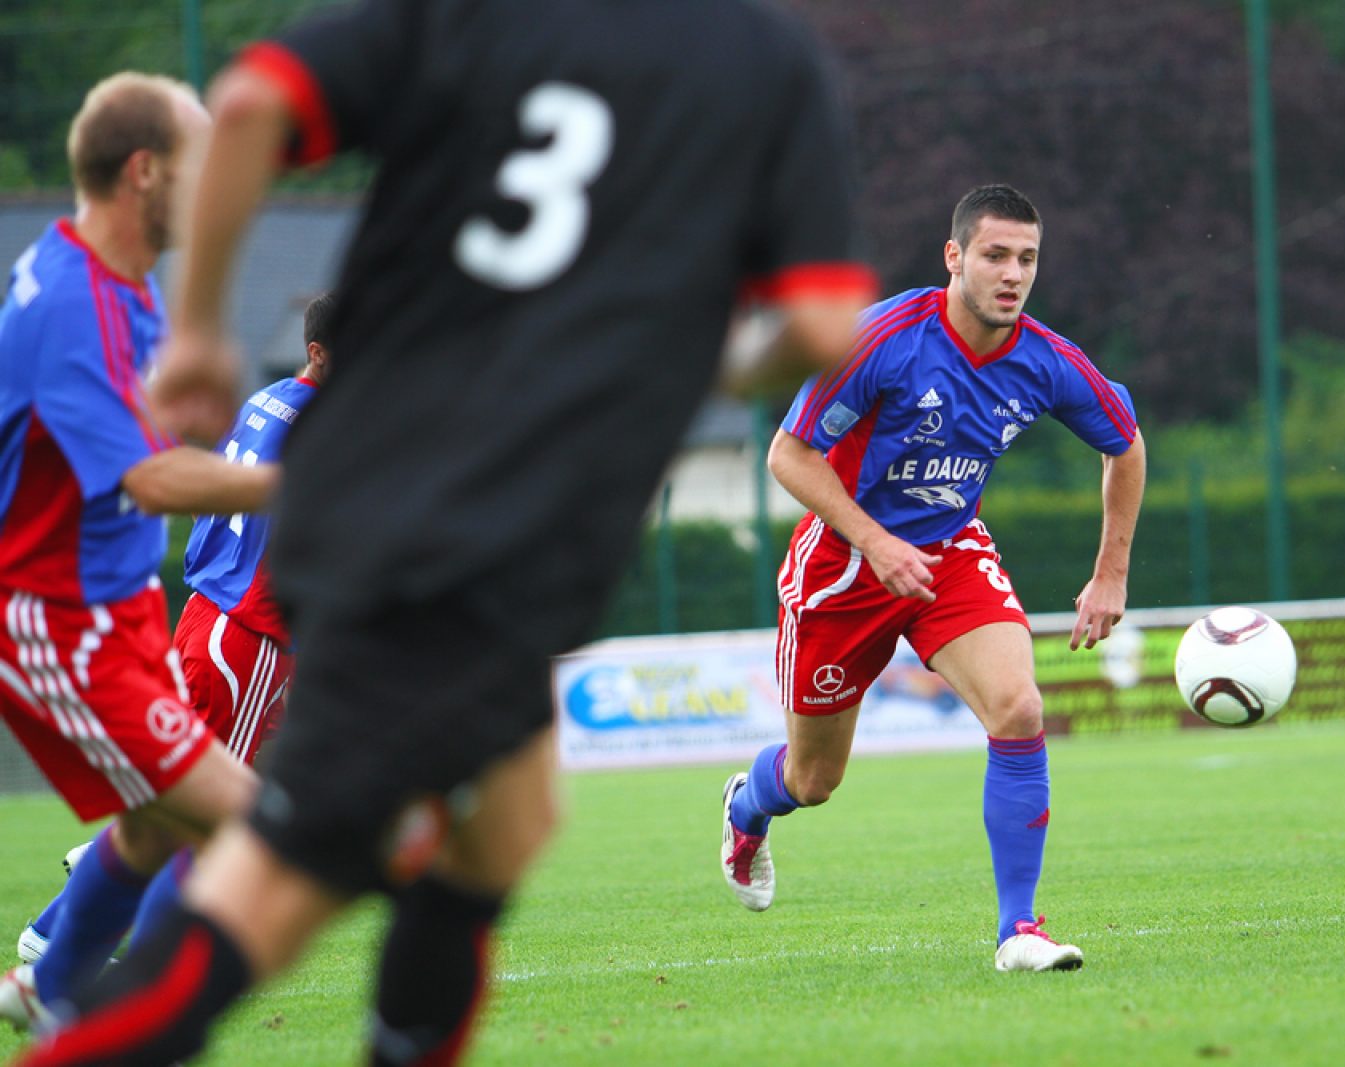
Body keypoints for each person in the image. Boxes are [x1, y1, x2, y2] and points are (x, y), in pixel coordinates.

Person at [11, 1, 874, 1063]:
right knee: (269, 881)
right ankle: (70, 1004)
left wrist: (196, 330)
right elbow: (822, 323)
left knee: (506, 820)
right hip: (485, 530)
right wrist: (692, 357)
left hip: (367, 501)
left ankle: (68, 970)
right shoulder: (764, 60)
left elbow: (246, 104)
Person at [719, 184, 1147, 973]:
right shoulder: (883, 339)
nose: (1012, 274)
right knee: (814, 779)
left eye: (1027, 259)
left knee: (1019, 707)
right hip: (842, 568)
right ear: (954, 256)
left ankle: (1019, 929)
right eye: (995, 255)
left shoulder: (1047, 361)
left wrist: (1110, 573)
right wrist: (876, 542)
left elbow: (1125, 442)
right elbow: (789, 454)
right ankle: (748, 805)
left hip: (950, 552)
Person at [0, 73, 278, 1029]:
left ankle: (49, 990)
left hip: (119, 613)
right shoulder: (75, 300)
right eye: (202, 161)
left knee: (161, 823)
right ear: (145, 171)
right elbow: (151, 479)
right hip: (58, 620)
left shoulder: (120, 283)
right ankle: (116, 1021)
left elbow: (138, 442)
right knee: (251, 821)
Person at [14, 293, 333, 967]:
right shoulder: (323, 428)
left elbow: (212, 493)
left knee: (190, 793)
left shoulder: (268, 400)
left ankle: (67, 929)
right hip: (249, 638)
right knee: (212, 816)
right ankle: (88, 949)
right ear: (318, 352)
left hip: (205, 612)